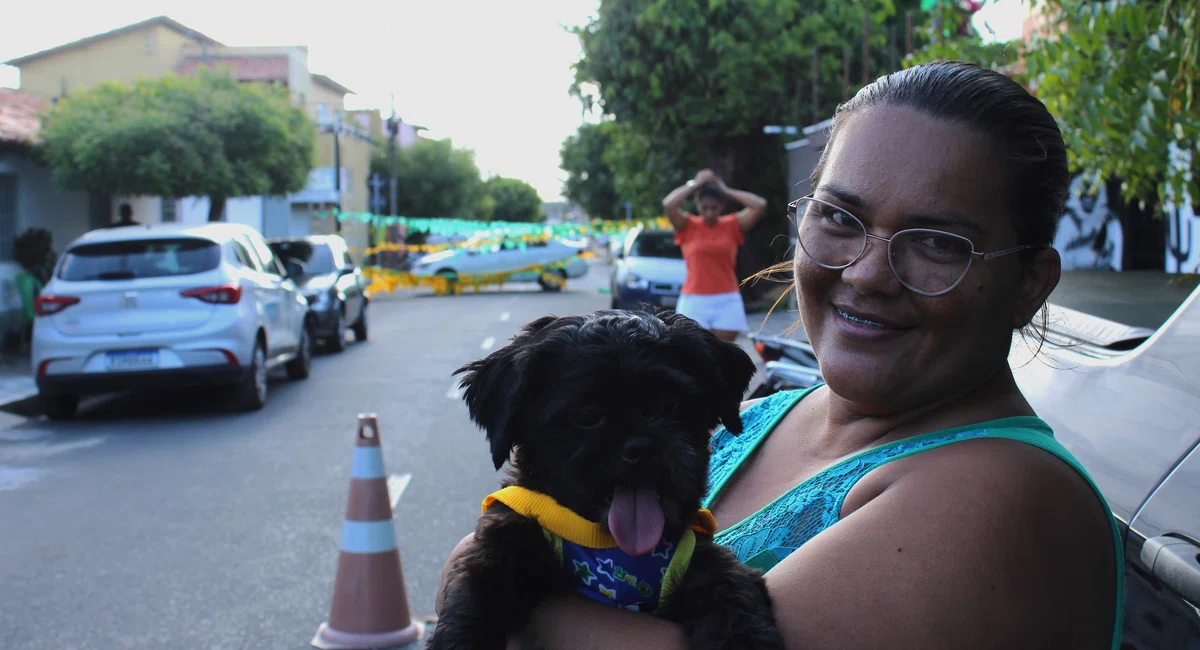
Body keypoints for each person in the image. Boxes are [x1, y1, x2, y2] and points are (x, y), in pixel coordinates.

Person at [436, 61, 1123, 649]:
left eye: (937, 242)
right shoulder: (773, 409)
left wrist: (487, 574)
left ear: (1028, 285)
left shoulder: (1001, 495)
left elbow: (483, 572)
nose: (866, 272)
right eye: (839, 217)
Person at [661, 170, 766, 342]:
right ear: (697, 206)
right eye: (705, 208)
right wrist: (694, 184)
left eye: (714, 208)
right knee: (694, 351)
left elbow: (759, 205)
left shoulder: (732, 225)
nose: (709, 212)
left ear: (722, 206)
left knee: (723, 352)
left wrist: (725, 189)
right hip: (694, 299)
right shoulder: (687, 225)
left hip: (726, 298)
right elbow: (668, 205)